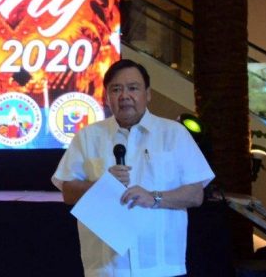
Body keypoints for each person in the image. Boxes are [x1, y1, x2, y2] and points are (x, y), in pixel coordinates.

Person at [52, 59, 215, 276]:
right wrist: (99, 186)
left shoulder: (174, 133)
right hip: (107, 269)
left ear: (147, 94)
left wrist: (154, 197)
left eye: (133, 88)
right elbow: (68, 192)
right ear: (107, 96)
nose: (124, 95)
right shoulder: (88, 136)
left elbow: (195, 195)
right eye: (116, 89)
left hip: (161, 266)